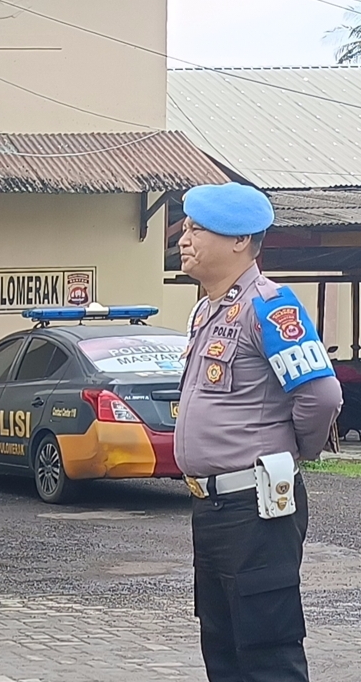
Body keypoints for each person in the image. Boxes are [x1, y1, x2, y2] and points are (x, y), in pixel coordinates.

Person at [176, 183, 343, 682]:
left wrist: (293, 455)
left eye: (197, 229)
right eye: (186, 227)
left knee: (267, 653)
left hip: (257, 507)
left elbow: (321, 395)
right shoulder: (207, 310)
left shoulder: (270, 307)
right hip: (212, 507)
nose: (183, 238)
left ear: (240, 240)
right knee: (223, 650)